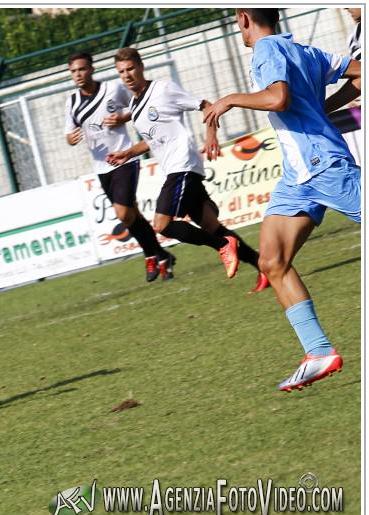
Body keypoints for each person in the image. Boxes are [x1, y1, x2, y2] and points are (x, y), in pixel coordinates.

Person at [203, 9, 361, 392]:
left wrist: (229, 100)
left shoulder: (267, 50)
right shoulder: (302, 50)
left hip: (323, 166)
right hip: (298, 176)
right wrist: (321, 109)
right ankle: (319, 352)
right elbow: (358, 72)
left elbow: (278, 98)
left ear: (243, 17)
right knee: (271, 260)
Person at [105, 47, 268, 292]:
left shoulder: (163, 89)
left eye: (130, 69)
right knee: (212, 225)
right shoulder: (135, 106)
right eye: (121, 72)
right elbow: (154, 140)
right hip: (176, 168)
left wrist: (211, 135)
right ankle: (263, 268)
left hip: (183, 167)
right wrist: (128, 152)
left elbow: (205, 105)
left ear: (141, 67)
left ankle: (222, 245)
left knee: (162, 225)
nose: (127, 75)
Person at [64, 51, 176, 282]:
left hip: (124, 158)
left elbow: (138, 103)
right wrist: (71, 139)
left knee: (123, 212)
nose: (78, 74)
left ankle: (151, 255)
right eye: (74, 71)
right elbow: (68, 132)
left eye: (82, 69)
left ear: (92, 69)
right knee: (130, 215)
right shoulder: (72, 102)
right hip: (101, 166)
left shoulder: (112, 90)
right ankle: (161, 255)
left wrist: (122, 119)